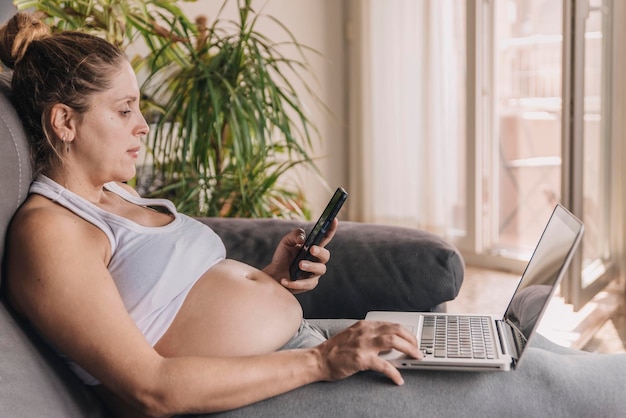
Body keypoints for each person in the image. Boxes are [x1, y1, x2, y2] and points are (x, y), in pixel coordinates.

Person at [0, 12, 421, 418]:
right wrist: (322, 361)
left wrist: (272, 279)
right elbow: (151, 388)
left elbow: (173, 309)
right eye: (125, 109)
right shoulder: (50, 232)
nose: (144, 125)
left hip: (291, 357)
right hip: (246, 391)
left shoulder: (114, 192)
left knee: (465, 353)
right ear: (63, 122)